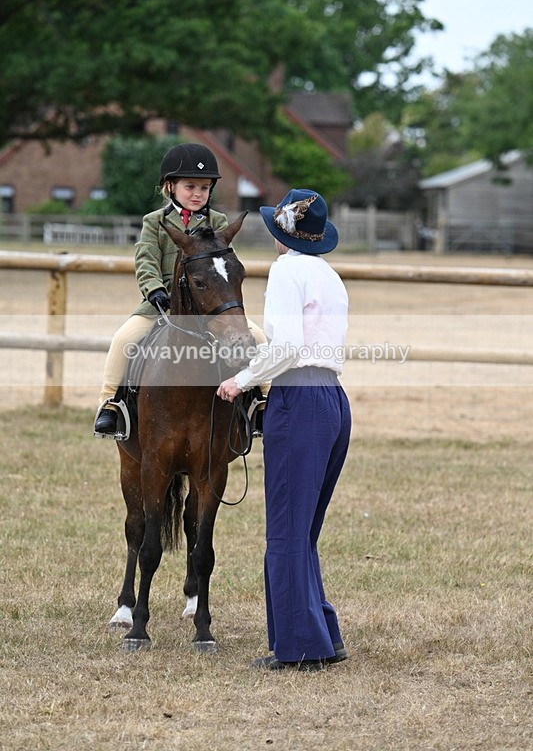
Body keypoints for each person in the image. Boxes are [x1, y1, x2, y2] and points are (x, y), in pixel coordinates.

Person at [217, 188, 352, 672]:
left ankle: (299, 646)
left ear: (281, 234)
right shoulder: (329, 275)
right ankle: (322, 633)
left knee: (286, 533)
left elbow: (288, 346)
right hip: (334, 400)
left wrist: (241, 379)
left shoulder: (286, 271)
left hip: (298, 401)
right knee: (303, 530)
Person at [94, 142, 230, 435]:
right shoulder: (153, 222)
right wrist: (153, 288)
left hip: (206, 306)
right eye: (190, 186)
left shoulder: (218, 223)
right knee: (122, 339)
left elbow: (222, 268)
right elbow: (145, 259)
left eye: (205, 188)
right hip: (161, 303)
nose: (198, 194)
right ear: (170, 186)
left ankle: (259, 401)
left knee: (253, 336)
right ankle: (109, 404)